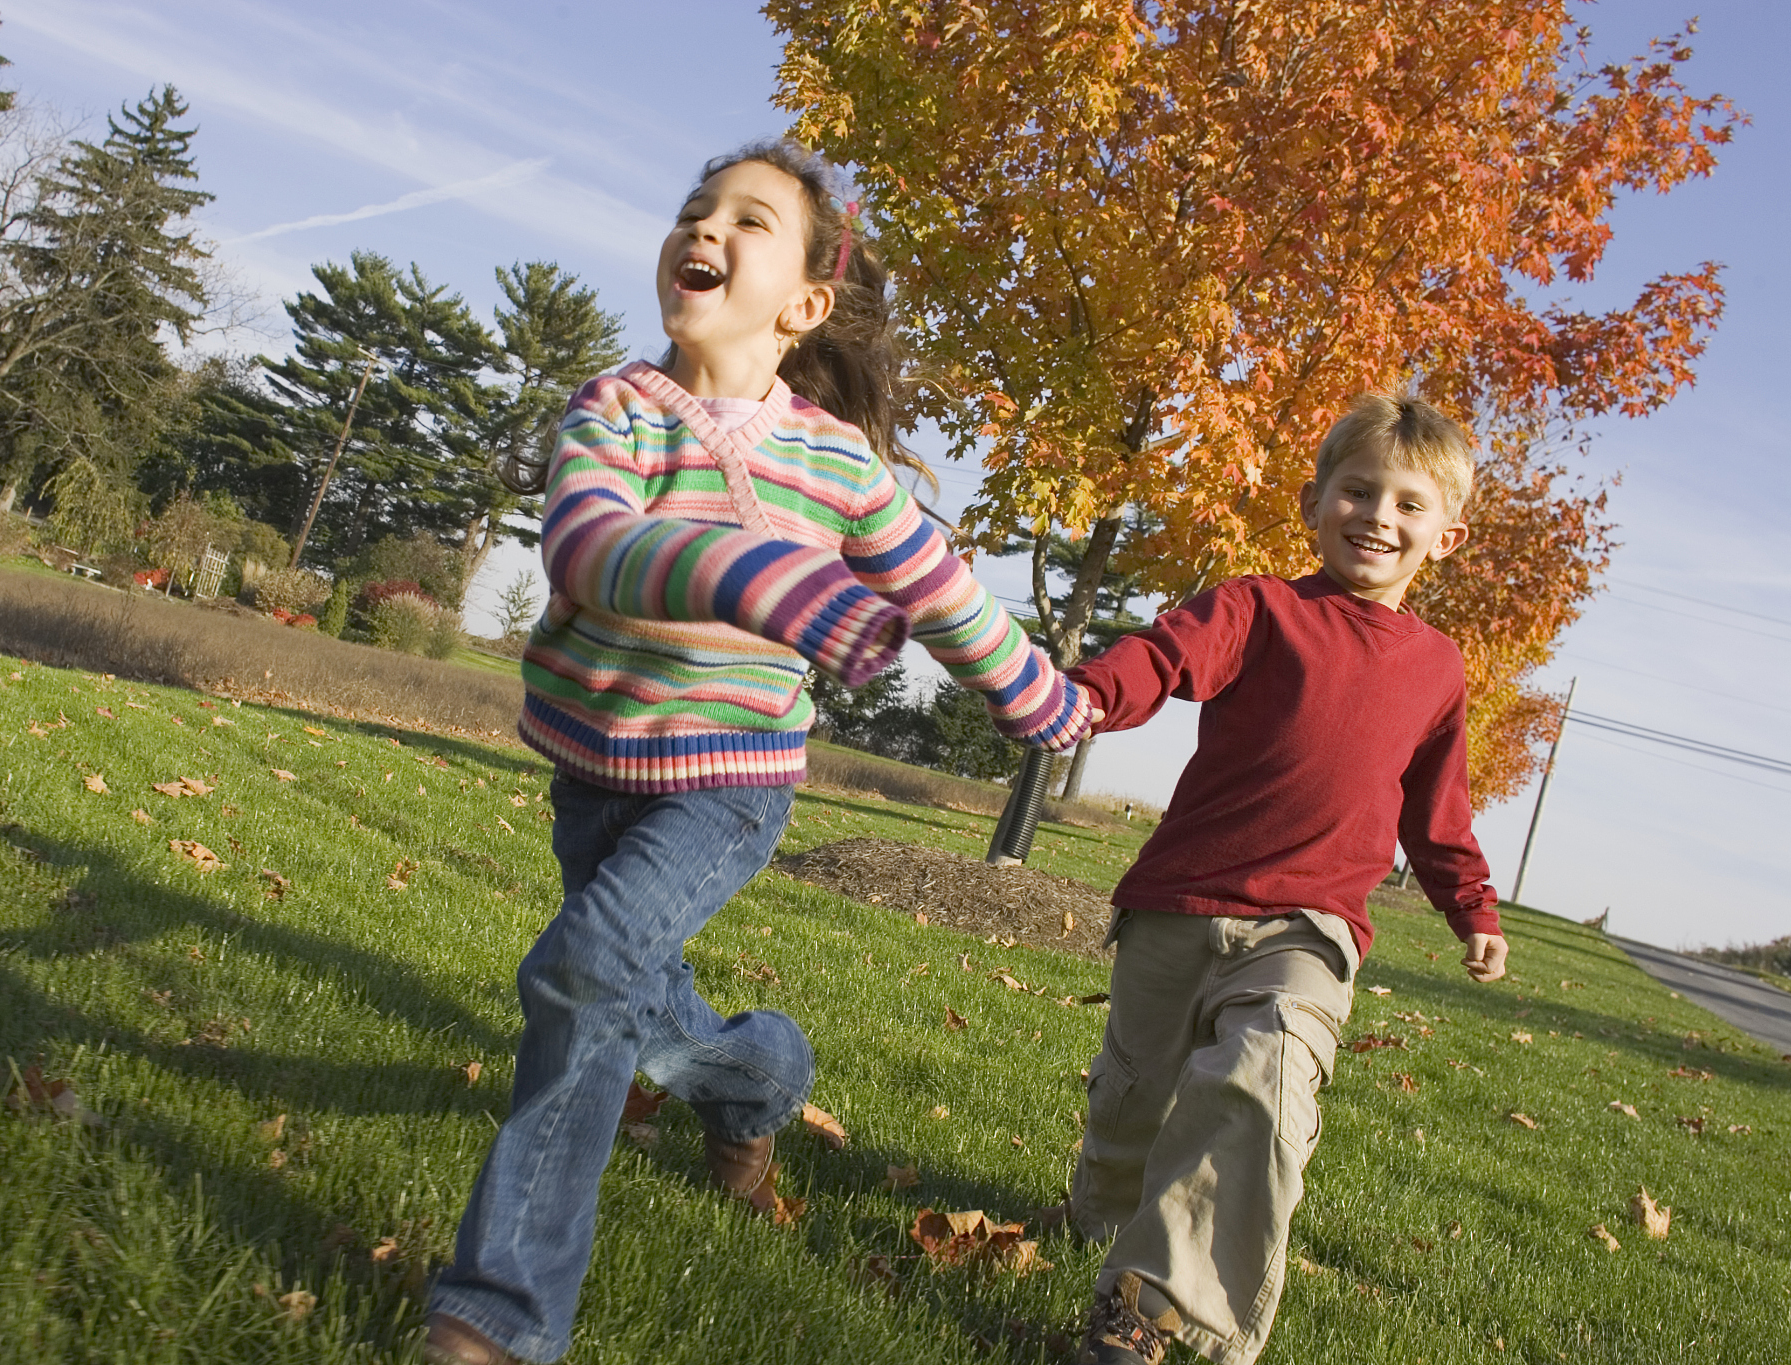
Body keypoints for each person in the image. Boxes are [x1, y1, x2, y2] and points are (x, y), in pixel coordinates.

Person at [420, 140, 1091, 1365]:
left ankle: (497, 1318)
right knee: (646, 1010)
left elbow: (943, 594)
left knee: (580, 979)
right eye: (693, 210)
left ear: (802, 304)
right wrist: (753, 574)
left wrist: (1033, 694)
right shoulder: (614, 406)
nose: (705, 228)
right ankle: (758, 1077)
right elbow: (585, 546)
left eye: (747, 219)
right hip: (597, 769)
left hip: (726, 786)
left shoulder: (836, 463)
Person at [1052, 394, 1511, 1365]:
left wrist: (1468, 902)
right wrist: (1089, 696)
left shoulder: (1437, 667)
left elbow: (1437, 809)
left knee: (1260, 1084)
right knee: (1130, 1105)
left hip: (1309, 930)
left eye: (1406, 503)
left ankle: (1154, 1307)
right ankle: (1099, 1219)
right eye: (1355, 491)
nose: (1376, 516)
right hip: (1179, 899)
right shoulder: (1255, 607)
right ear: (1312, 501)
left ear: (1446, 534)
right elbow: (1163, 655)